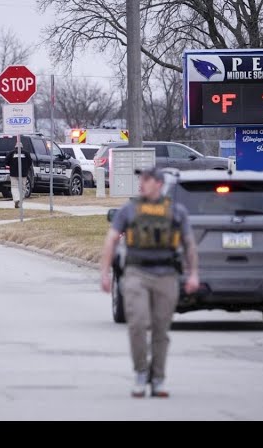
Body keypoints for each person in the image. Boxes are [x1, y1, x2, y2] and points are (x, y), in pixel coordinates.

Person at [100, 166, 199, 398]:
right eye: (140, 179)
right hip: (136, 273)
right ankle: (141, 373)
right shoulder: (129, 209)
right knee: (137, 324)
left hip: (166, 275)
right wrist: (104, 272)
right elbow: (112, 239)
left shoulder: (176, 211)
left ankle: (158, 379)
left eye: (145, 180)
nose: (141, 183)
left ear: (158, 184)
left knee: (160, 329)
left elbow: (189, 244)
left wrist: (193, 273)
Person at [4, 141, 32, 208]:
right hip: (23, 174)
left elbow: (6, 162)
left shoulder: (11, 153)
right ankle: (20, 200)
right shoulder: (26, 153)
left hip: (13, 173)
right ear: (22, 147)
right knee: (23, 188)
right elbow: (30, 163)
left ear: (15, 147)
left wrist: (12, 165)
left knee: (14, 187)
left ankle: (16, 199)